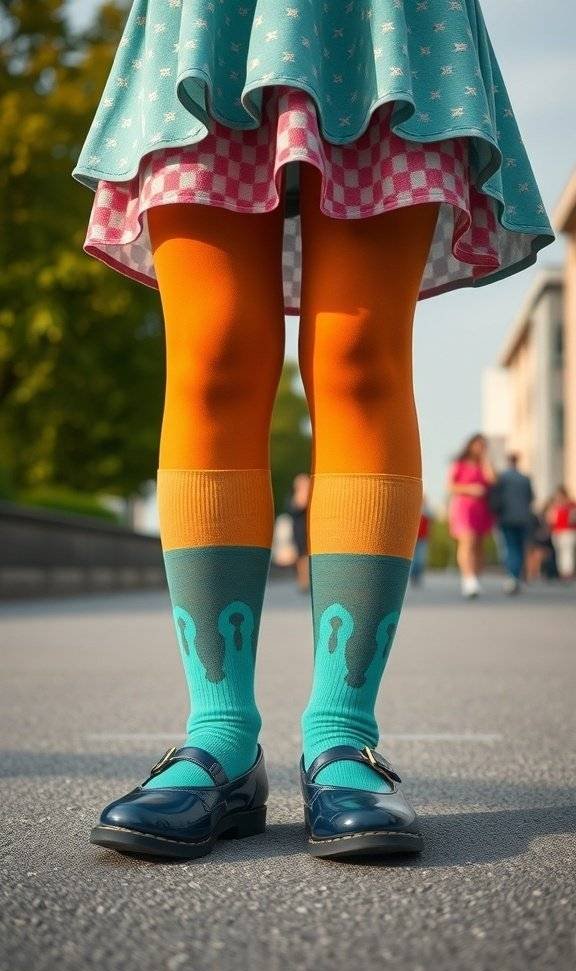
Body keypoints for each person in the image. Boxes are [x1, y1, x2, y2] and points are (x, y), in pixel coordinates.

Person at [73, 1, 554, 860]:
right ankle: (220, 740)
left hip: (381, 23)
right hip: (214, 20)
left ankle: (343, 734)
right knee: (215, 354)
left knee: (359, 354)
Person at [448, 434, 496, 599]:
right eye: (478, 445)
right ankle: (468, 580)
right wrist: (470, 489)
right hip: (464, 507)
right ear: (470, 445)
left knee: (479, 545)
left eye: (484, 446)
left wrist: (486, 461)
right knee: (467, 541)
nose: (481, 448)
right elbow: (450, 486)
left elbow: (493, 480)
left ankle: (475, 577)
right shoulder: (459, 464)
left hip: (482, 509)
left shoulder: (484, 464)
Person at [492, 454, 534, 594]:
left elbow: (496, 497)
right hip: (523, 518)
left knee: (510, 547)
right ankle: (517, 576)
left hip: (506, 518)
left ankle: (512, 577)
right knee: (521, 548)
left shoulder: (502, 478)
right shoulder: (525, 479)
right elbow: (531, 498)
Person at [287, 473, 311, 593]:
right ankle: (303, 581)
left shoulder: (311, 496)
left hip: (309, 530)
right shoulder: (294, 497)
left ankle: (307, 581)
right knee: (301, 556)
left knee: (307, 556)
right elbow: (294, 509)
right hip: (299, 531)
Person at [547, 486, 576, 579]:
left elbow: (573, 518)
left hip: (568, 531)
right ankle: (561, 571)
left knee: (567, 552)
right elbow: (550, 519)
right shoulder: (555, 506)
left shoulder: (571, 505)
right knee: (559, 552)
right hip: (557, 531)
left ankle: (567, 572)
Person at [410, 496, 433, 586]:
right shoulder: (413, 510)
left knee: (420, 559)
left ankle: (417, 577)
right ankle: (412, 576)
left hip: (423, 538)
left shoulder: (426, 511)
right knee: (413, 559)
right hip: (413, 538)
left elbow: (430, 524)